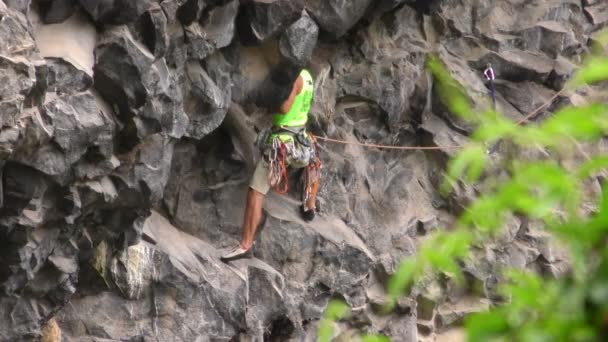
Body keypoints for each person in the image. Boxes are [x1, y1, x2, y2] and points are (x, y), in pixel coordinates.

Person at [221, 63, 320, 261]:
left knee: (255, 190)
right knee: (313, 162)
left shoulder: (295, 79)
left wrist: (271, 96)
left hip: (283, 145)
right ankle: (310, 206)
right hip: (301, 140)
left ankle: (245, 245)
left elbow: (285, 108)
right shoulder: (308, 77)